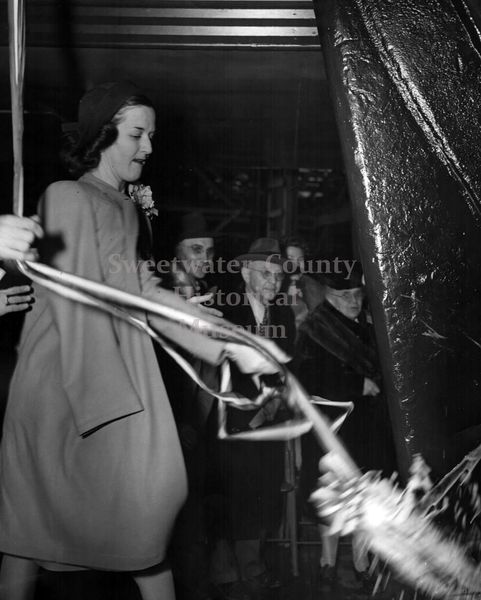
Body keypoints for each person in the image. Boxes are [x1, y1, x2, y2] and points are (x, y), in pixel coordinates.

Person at [0, 81, 287, 600]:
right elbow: (76, 298)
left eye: (151, 136)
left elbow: (141, 289)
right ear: (103, 134)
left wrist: (227, 340)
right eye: (137, 134)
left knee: (140, 533)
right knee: (33, 534)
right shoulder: (68, 194)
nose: (148, 148)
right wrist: (104, 406)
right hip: (68, 384)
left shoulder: (127, 209)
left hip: (109, 376)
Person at [294, 262, 396, 592]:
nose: (354, 300)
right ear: (329, 296)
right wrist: (356, 385)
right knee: (331, 500)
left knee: (366, 498)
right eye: (345, 295)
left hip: (367, 430)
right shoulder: (314, 329)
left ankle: (361, 564)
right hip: (332, 430)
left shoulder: (369, 329)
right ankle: (327, 565)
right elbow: (308, 379)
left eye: (357, 294)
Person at [209, 238, 296, 600]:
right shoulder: (225, 311)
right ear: (245, 273)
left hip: (271, 420)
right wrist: (250, 410)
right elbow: (219, 366)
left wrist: (271, 407)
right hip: (231, 420)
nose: (273, 283)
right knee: (234, 497)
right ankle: (239, 573)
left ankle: (247, 568)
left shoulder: (286, 315)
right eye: (265, 274)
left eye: (277, 276)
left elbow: (287, 368)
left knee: (264, 495)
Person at [279, 236, 324, 333]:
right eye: (290, 259)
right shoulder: (272, 288)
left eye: (300, 260)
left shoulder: (314, 288)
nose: (296, 265)